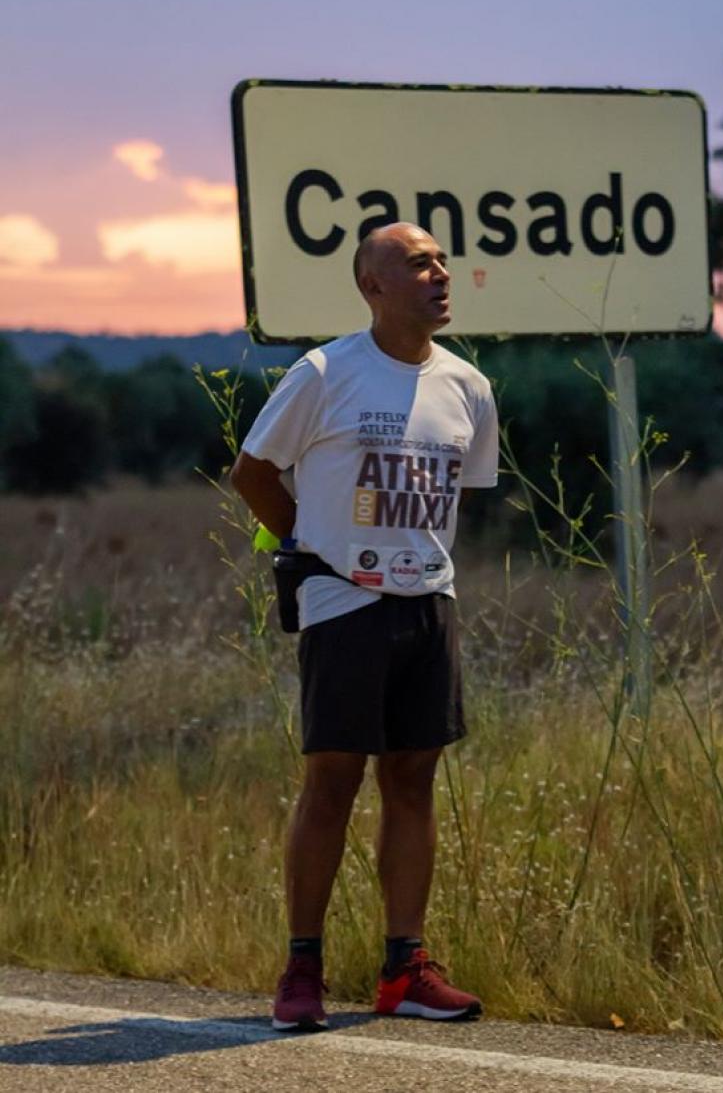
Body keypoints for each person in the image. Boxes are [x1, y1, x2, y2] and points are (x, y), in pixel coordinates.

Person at [231, 221, 499, 1031]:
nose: (440, 274)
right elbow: (252, 472)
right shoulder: (325, 371)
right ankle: (302, 967)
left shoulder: (468, 386)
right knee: (334, 778)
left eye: (442, 262)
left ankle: (404, 968)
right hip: (344, 602)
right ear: (373, 286)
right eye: (418, 264)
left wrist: (421, 567)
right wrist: (307, 551)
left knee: (412, 778)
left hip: (429, 602)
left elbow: (461, 495)